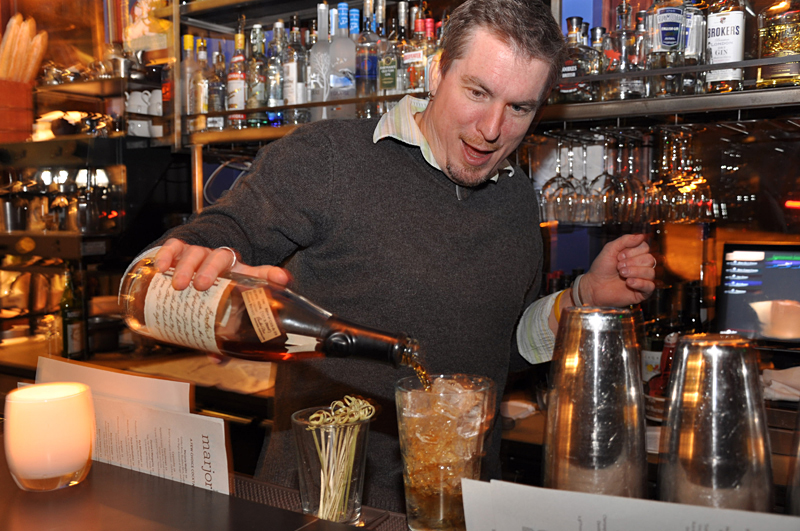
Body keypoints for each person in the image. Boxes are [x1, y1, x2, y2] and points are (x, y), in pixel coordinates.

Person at [135, 0, 656, 513]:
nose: (493, 128)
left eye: (519, 108)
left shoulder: (517, 197)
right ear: (437, 72)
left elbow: (499, 346)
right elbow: (224, 230)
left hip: (461, 510)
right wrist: (196, 258)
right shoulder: (329, 158)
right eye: (477, 92)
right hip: (323, 509)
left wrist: (581, 297)